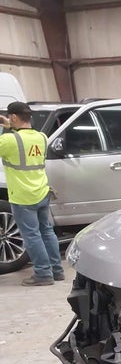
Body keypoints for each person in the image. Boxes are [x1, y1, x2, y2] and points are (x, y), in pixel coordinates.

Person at [0, 101, 63, 286]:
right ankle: (57, 271)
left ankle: (43, 274)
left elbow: (4, 147)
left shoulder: (9, 139)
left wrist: (6, 129)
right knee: (47, 231)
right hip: (42, 191)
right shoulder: (42, 137)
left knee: (32, 235)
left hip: (22, 195)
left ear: (13, 117)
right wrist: (9, 128)